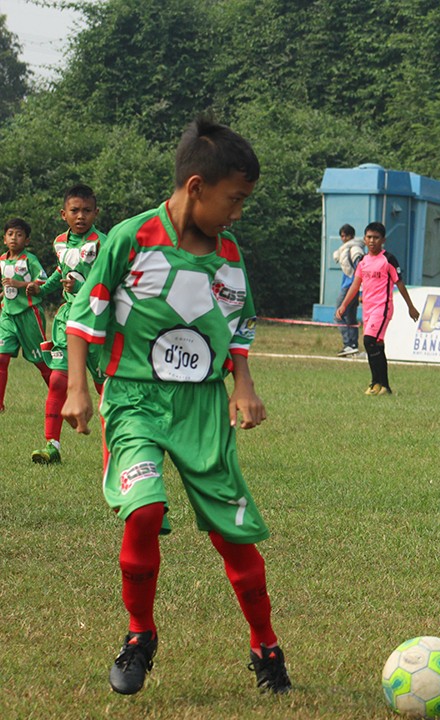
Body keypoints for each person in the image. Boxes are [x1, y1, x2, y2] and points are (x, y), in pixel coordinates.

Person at [61, 118, 291, 695]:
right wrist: (77, 388)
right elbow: (83, 319)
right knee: (142, 510)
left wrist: (244, 384)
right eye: (234, 199)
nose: (238, 212)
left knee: (232, 536)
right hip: (135, 398)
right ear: (196, 186)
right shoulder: (131, 239)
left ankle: (266, 648)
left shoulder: (230, 252)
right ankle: (140, 635)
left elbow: (238, 326)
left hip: (202, 408)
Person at [25, 184, 107, 464]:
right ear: (64, 214)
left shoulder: (103, 243)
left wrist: (82, 284)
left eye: (86, 211)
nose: (80, 216)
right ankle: (52, 446)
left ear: (96, 213)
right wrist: (42, 289)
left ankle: (116, 450)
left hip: (96, 320)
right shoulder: (60, 241)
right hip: (68, 318)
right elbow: (62, 270)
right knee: (58, 381)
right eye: (75, 211)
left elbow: (108, 279)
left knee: (105, 389)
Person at [335, 221, 420, 395]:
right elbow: (355, 284)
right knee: (378, 345)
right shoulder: (364, 261)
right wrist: (344, 305)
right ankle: (385, 387)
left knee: (368, 341)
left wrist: (411, 307)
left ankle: (375, 383)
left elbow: (400, 283)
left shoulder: (388, 259)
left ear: (383, 240)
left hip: (382, 308)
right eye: (369, 237)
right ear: (364, 239)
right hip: (368, 309)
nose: (372, 241)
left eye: (376, 237)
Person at [0, 218, 51, 412]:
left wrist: (20, 285)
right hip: (7, 315)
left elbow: (43, 281)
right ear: (5, 239)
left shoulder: (30, 260)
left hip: (29, 314)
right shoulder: (2, 260)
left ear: (27, 240)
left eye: (19, 235)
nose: (14, 238)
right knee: (1, 358)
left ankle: (61, 397)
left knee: (42, 362)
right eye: (11, 234)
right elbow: (6, 286)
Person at [331, 223, 365, 356]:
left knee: (338, 315)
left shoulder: (355, 250)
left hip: (350, 287)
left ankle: (348, 344)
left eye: (345, 236)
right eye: (342, 236)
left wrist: (361, 291)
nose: (343, 239)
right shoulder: (346, 250)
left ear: (351, 236)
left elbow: (361, 271)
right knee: (350, 317)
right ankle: (353, 345)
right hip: (348, 285)